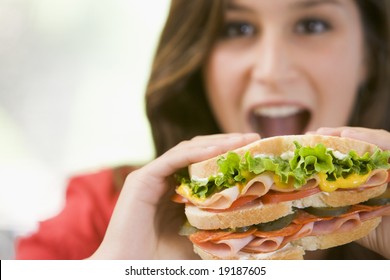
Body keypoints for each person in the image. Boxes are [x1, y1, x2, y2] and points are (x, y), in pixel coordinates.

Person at [16, 0, 390, 260]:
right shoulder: (103, 212)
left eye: (312, 24)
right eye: (238, 27)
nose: (271, 70)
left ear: (369, 57)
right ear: (198, 56)